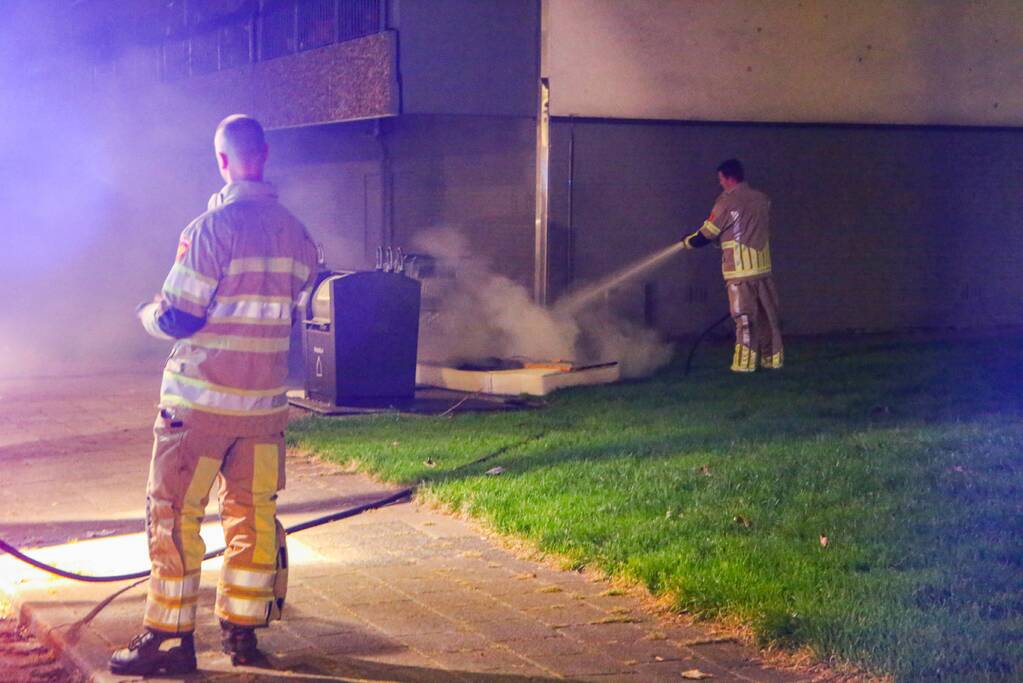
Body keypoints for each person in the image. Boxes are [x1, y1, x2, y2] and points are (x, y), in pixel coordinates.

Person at [110, 115, 319, 676]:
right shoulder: (298, 234)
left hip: (199, 409)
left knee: (175, 515)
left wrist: (147, 315)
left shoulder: (210, 228)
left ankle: (170, 640)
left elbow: (180, 314)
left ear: (222, 160)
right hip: (265, 411)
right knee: (253, 517)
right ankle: (243, 635)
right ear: (265, 155)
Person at [681, 159, 783, 372]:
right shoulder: (762, 199)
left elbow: (708, 233)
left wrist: (688, 242)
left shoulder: (725, 202)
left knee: (744, 319)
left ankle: (744, 364)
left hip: (738, 272)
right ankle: (772, 360)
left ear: (728, 178)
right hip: (763, 270)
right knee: (768, 317)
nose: (720, 184)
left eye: (721, 179)